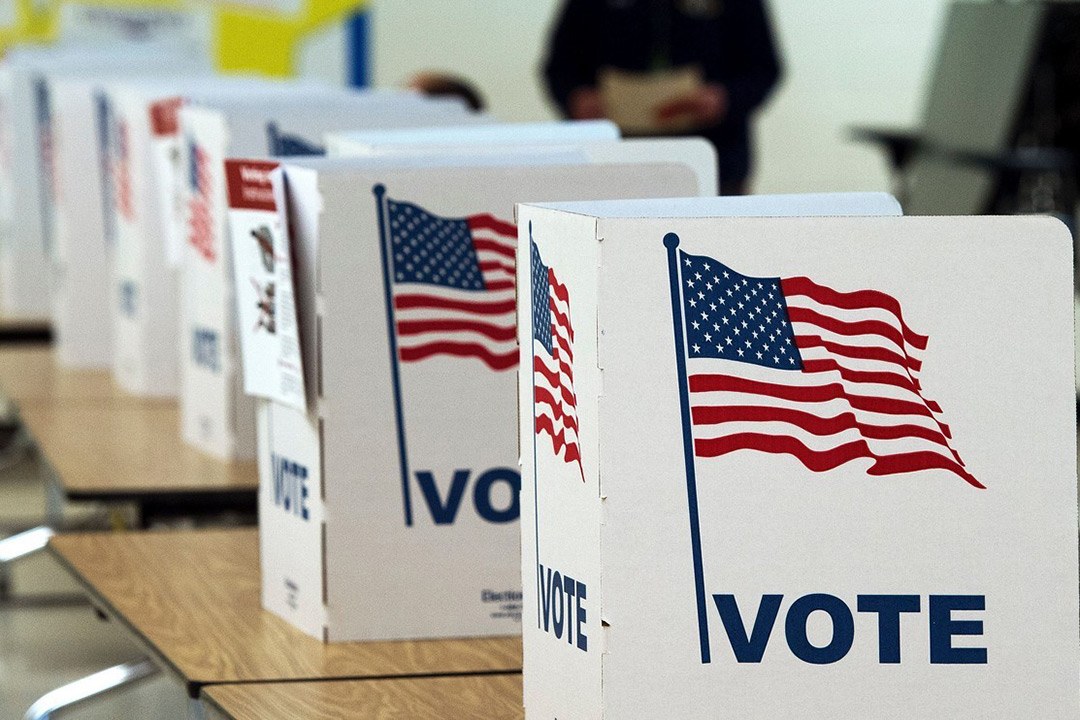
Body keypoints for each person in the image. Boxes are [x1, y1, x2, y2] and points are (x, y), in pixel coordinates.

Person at [544, 0, 782, 194]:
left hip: (716, 164)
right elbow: (559, 68)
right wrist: (576, 98)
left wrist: (725, 98)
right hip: (612, 165)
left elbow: (764, 68)